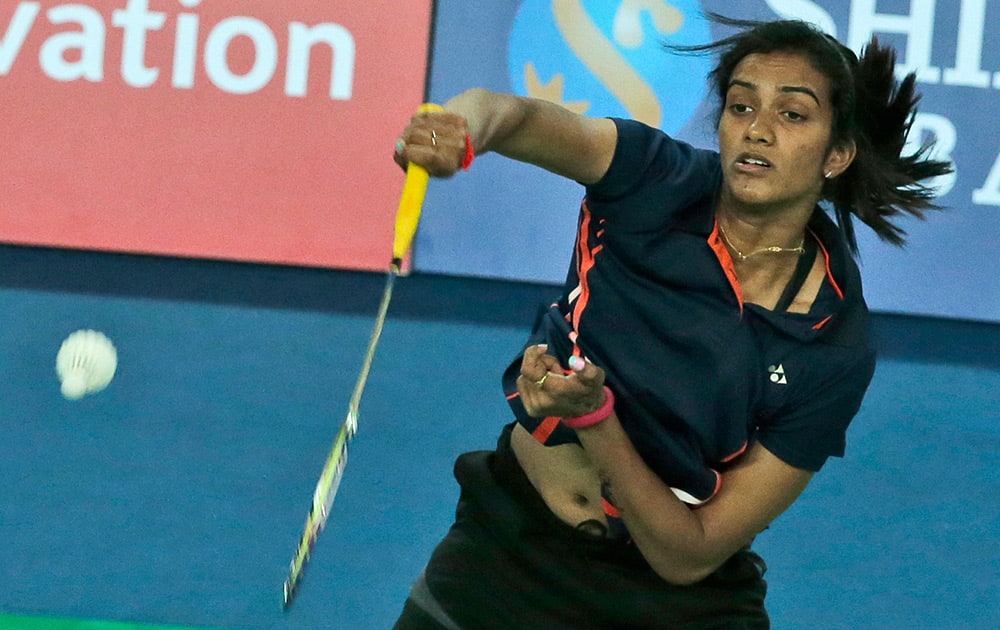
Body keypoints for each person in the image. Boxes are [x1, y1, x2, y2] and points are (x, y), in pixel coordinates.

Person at [389, 17, 952, 629]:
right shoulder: (652, 178)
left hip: (671, 603)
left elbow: (691, 554)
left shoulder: (833, 342)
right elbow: (515, 116)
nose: (757, 130)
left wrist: (595, 419)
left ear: (836, 155)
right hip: (507, 556)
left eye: (792, 115)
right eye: (741, 106)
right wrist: (461, 129)